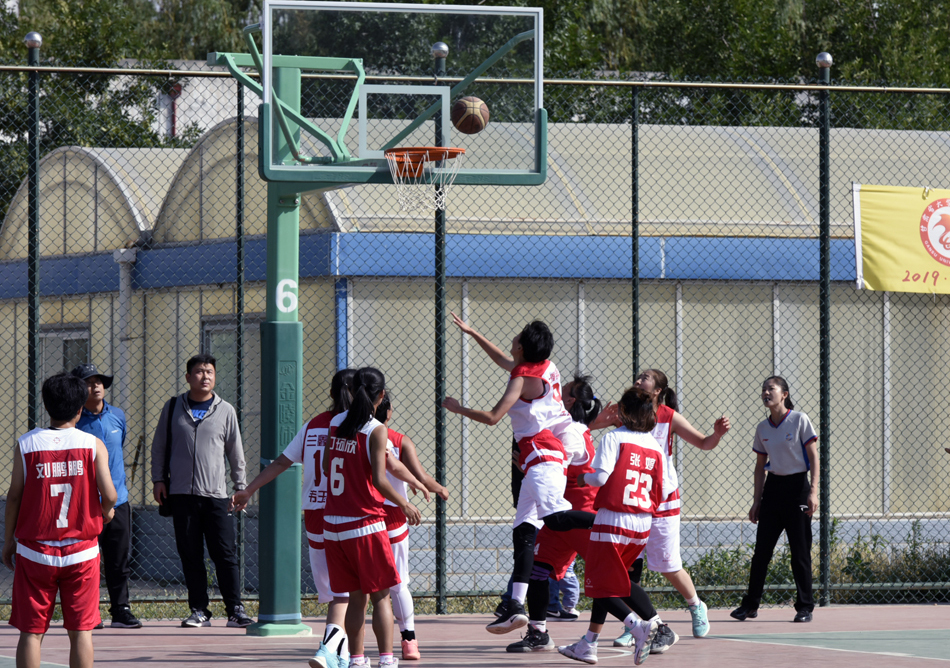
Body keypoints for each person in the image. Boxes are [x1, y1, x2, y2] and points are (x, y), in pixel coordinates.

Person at [442, 316, 594, 636]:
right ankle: (515, 605)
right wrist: (473, 332)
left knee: (556, 519)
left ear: (523, 347)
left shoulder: (522, 378)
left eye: (518, 337)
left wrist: (458, 409)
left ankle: (607, 521)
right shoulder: (546, 366)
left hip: (543, 455)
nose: (513, 339)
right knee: (524, 531)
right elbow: (504, 359)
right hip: (543, 454)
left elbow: (493, 417)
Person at [231, 369, 356, 668]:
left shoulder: (313, 426)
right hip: (348, 515)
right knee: (349, 594)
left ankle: (342, 654)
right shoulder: (360, 427)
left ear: (331, 393)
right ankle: (329, 650)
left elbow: (281, 462)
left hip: (314, 515)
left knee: (337, 593)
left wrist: (249, 489)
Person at [604, 369, 729, 651]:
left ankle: (696, 605)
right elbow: (597, 431)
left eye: (645, 377)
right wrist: (597, 420)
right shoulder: (625, 413)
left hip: (662, 500)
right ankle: (636, 626)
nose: (639, 380)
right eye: (638, 377)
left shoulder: (669, 416)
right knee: (627, 567)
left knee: (667, 565)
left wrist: (717, 434)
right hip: (633, 498)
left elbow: (704, 443)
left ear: (658, 390)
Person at [3, 372, 117, 668]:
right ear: (80, 408)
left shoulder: (27, 444)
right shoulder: (92, 444)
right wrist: (106, 511)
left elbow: (14, 497)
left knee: (31, 632)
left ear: (46, 405)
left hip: (36, 551)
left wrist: (8, 541)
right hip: (81, 551)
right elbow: (110, 494)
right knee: (81, 632)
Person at [558, 387, 676, 667]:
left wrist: (583, 478)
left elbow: (599, 478)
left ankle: (639, 626)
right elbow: (666, 488)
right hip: (642, 525)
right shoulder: (655, 447)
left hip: (613, 519)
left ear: (623, 411)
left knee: (599, 585)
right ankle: (589, 643)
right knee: (611, 581)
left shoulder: (614, 438)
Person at [323, 367, 423, 668]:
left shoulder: (336, 422)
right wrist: (404, 504)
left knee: (356, 598)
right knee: (380, 597)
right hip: (363, 524)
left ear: (351, 391)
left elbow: (327, 467)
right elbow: (380, 479)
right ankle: (387, 660)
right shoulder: (375, 429)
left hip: (333, 527)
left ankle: (356, 659)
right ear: (381, 395)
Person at [151, 353, 253, 628]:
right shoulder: (173, 407)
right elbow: (159, 447)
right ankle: (199, 610)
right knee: (191, 554)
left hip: (217, 496)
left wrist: (240, 487)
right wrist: (158, 480)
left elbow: (235, 452)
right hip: (181, 495)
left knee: (225, 554)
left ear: (215, 377)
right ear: (188, 377)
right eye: (199, 371)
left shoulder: (226, 410)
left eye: (209, 372)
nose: (204, 376)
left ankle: (235, 609)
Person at [506, 375, 601, 653]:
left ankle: (651, 623)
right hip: (559, 519)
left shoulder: (570, 434)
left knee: (607, 578)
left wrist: (531, 465)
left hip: (577, 517)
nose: (556, 393)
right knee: (538, 569)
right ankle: (539, 633)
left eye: (562, 391)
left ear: (569, 400)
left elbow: (555, 468)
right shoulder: (566, 427)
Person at [731, 376, 818, 624]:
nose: (766, 393)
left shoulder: (799, 420)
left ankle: (805, 607)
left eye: (771, 388)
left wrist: (813, 491)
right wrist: (757, 500)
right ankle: (750, 605)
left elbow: (814, 457)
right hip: (773, 489)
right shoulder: (763, 428)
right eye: (763, 389)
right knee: (762, 552)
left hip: (797, 488)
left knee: (799, 552)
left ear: (784, 394)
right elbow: (760, 467)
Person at [375, 394, 450, 661]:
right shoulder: (398, 440)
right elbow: (420, 476)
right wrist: (439, 488)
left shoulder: (354, 434)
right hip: (394, 516)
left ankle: (349, 646)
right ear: (388, 411)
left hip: (363, 516)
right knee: (399, 582)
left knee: (360, 589)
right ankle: (409, 641)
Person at [71, 362, 142, 630]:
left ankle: (120, 610)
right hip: (86, 505)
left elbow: (117, 448)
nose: (96, 386)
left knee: (119, 559)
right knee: (86, 560)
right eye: (89, 382)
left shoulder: (118, 416)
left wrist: (110, 498)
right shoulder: (74, 421)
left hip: (118, 501)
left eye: (99, 381)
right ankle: (88, 612)